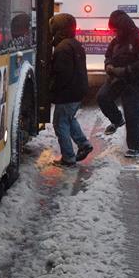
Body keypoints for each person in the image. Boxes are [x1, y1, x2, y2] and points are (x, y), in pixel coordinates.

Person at [98, 10, 139, 158]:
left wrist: (125, 70)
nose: (114, 32)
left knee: (131, 112)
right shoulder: (117, 40)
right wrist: (108, 65)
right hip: (118, 78)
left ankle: (134, 147)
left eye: (116, 29)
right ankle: (117, 120)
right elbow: (108, 55)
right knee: (102, 97)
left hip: (137, 81)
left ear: (123, 26)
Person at [49, 13, 92, 166]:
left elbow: (62, 75)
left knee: (60, 124)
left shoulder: (62, 48)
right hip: (77, 91)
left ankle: (68, 158)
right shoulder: (75, 44)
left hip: (67, 93)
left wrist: (52, 90)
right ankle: (84, 144)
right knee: (69, 119)